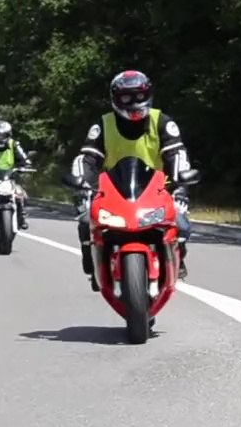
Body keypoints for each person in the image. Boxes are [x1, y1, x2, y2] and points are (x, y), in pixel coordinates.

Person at [70, 70, 192, 290]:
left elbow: (177, 156)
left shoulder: (162, 122)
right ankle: (92, 266)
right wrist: (83, 187)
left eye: (138, 96)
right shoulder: (102, 125)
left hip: (158, 192)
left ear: (149, 95)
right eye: (126, 97)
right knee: (85, 222)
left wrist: (180, 188)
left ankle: (178, 260)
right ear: (115, 99)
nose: (134, 103)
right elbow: (87, 159)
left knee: (181, 224)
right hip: (113, 191)